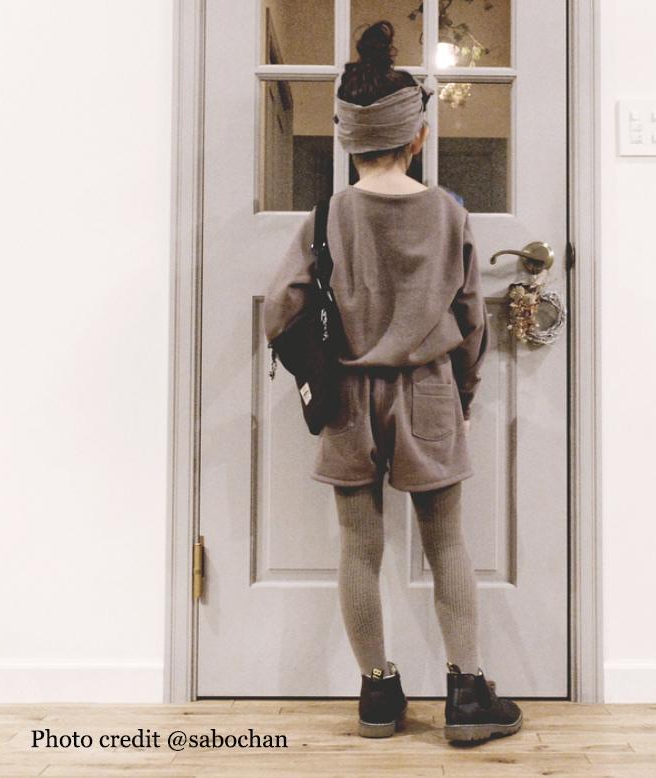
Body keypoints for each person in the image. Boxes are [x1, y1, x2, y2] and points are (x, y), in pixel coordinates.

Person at [263, 20, 522, 744]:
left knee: (358, 546)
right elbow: (470, 318)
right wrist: (463, 393)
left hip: (349, 397)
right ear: (417, 136)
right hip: (430, 390)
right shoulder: (448, 212)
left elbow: (281, 306)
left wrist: (318, 363)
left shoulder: (329, 215)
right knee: (447, 543)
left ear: (348, 140)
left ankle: (378, 695)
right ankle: (467, 695)